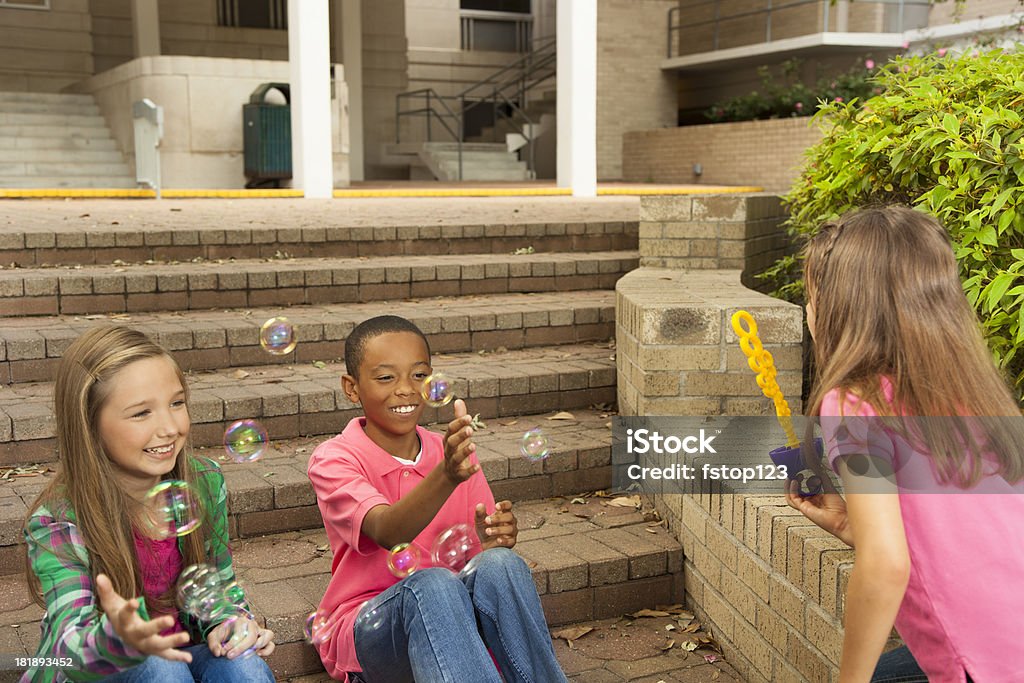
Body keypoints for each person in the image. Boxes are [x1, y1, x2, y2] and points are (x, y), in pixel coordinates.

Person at [787, 206, 1024, 683]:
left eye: (812, 297)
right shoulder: (972, 391)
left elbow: (886, 564)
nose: (809, 311)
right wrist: (852, 527)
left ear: (842, 308)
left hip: (984, 661)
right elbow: (965, 531)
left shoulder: (853, 403)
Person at [307, 315, 568, 683]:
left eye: (418, 375)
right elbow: (386, 529)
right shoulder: (335, 458)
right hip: (371, 627)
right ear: (352, 388)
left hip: (449, 618)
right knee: (431, 585)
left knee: (502, 565)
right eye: (385, 377)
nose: (405, 390)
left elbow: (477, 554)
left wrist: (495, 540)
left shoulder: (447, 452)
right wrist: (445, 474)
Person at [21, 326, 276, 683]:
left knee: (242, 662)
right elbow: (68, 647)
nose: (170, 427)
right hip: (95, 667)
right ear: (89, 425)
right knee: (159, 666)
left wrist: (230, 621)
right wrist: (115, 641)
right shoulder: (59, 521)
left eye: (176, 403)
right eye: (141, 413)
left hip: (183, 652)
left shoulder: (203, 483)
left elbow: (217, 586)